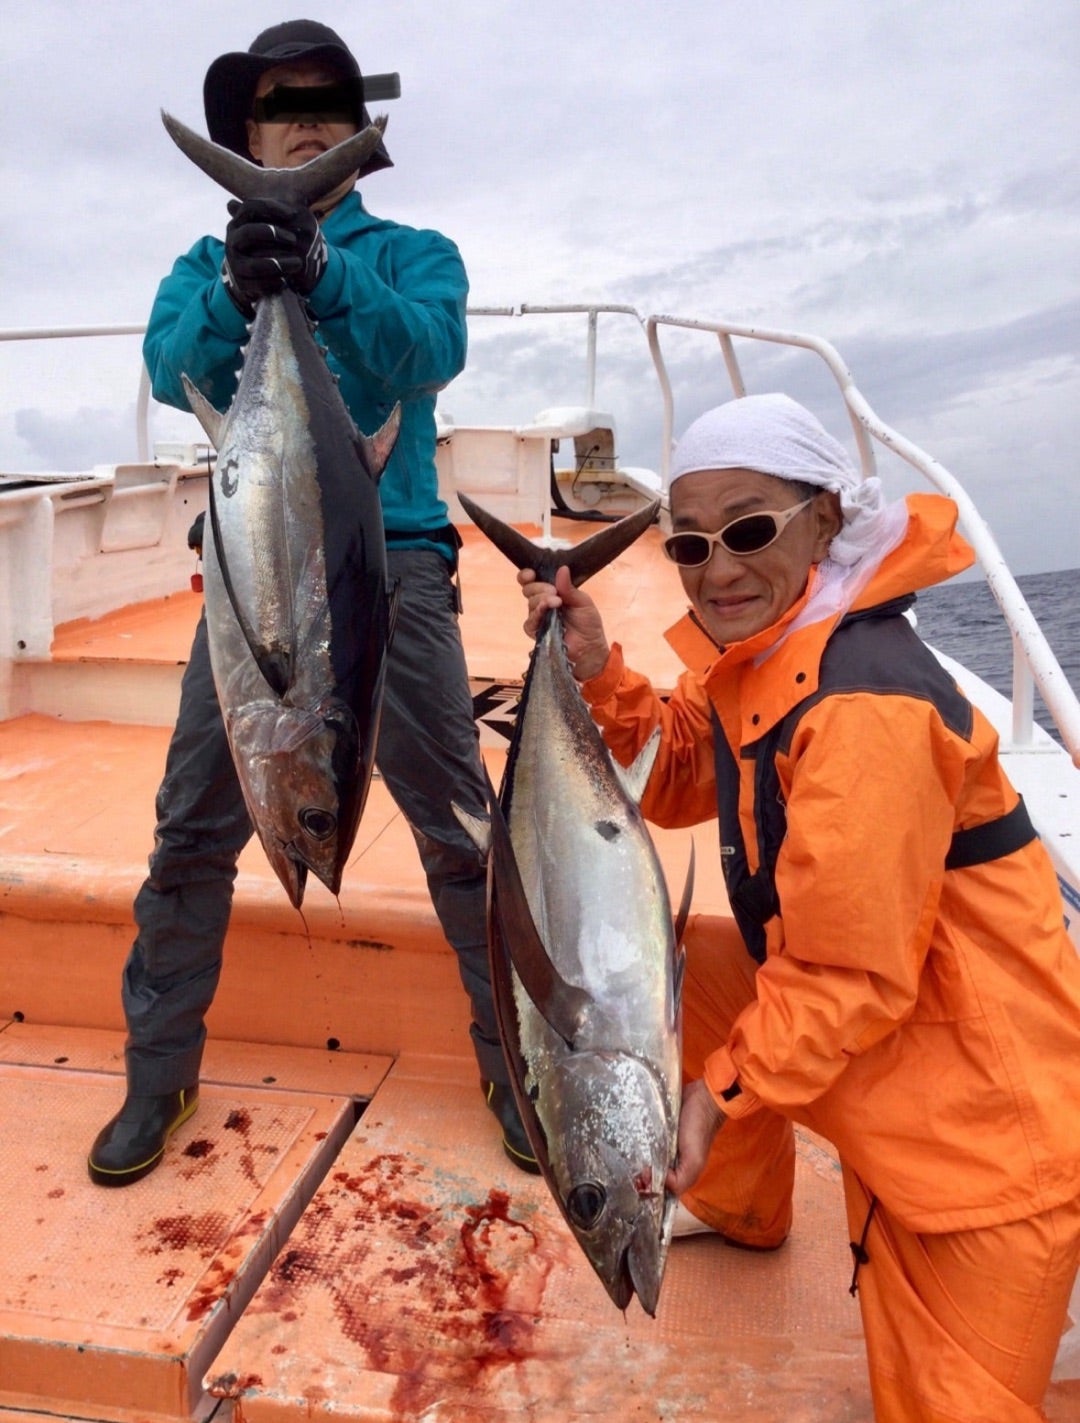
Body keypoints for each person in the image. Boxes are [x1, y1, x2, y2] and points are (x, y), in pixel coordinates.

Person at [519, 392, 1080, 1420]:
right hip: (895, 1038)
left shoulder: (865, 705)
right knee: (704, 982)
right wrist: (593, 665)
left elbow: (846, 976)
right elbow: (677, 771)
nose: (719, 568)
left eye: (748, 530)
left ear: (826, 517)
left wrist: (715, 1095)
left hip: (986, 1138)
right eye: (691, 545)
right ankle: (736, 1200)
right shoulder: (776, 652)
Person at [88, 20, 536, 1186]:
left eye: (327, 104)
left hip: (388, 571)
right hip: (249, 585)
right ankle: (158, 1073)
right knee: (192, 828)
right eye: (279, 107)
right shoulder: (203, 263)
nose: (303, 122)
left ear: (359, 135)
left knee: (461, 835)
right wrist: (245, 288)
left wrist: (328, 277)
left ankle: (518, 1067)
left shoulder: (416, 252)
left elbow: (425, 355)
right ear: (246, 135)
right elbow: (168, 364)